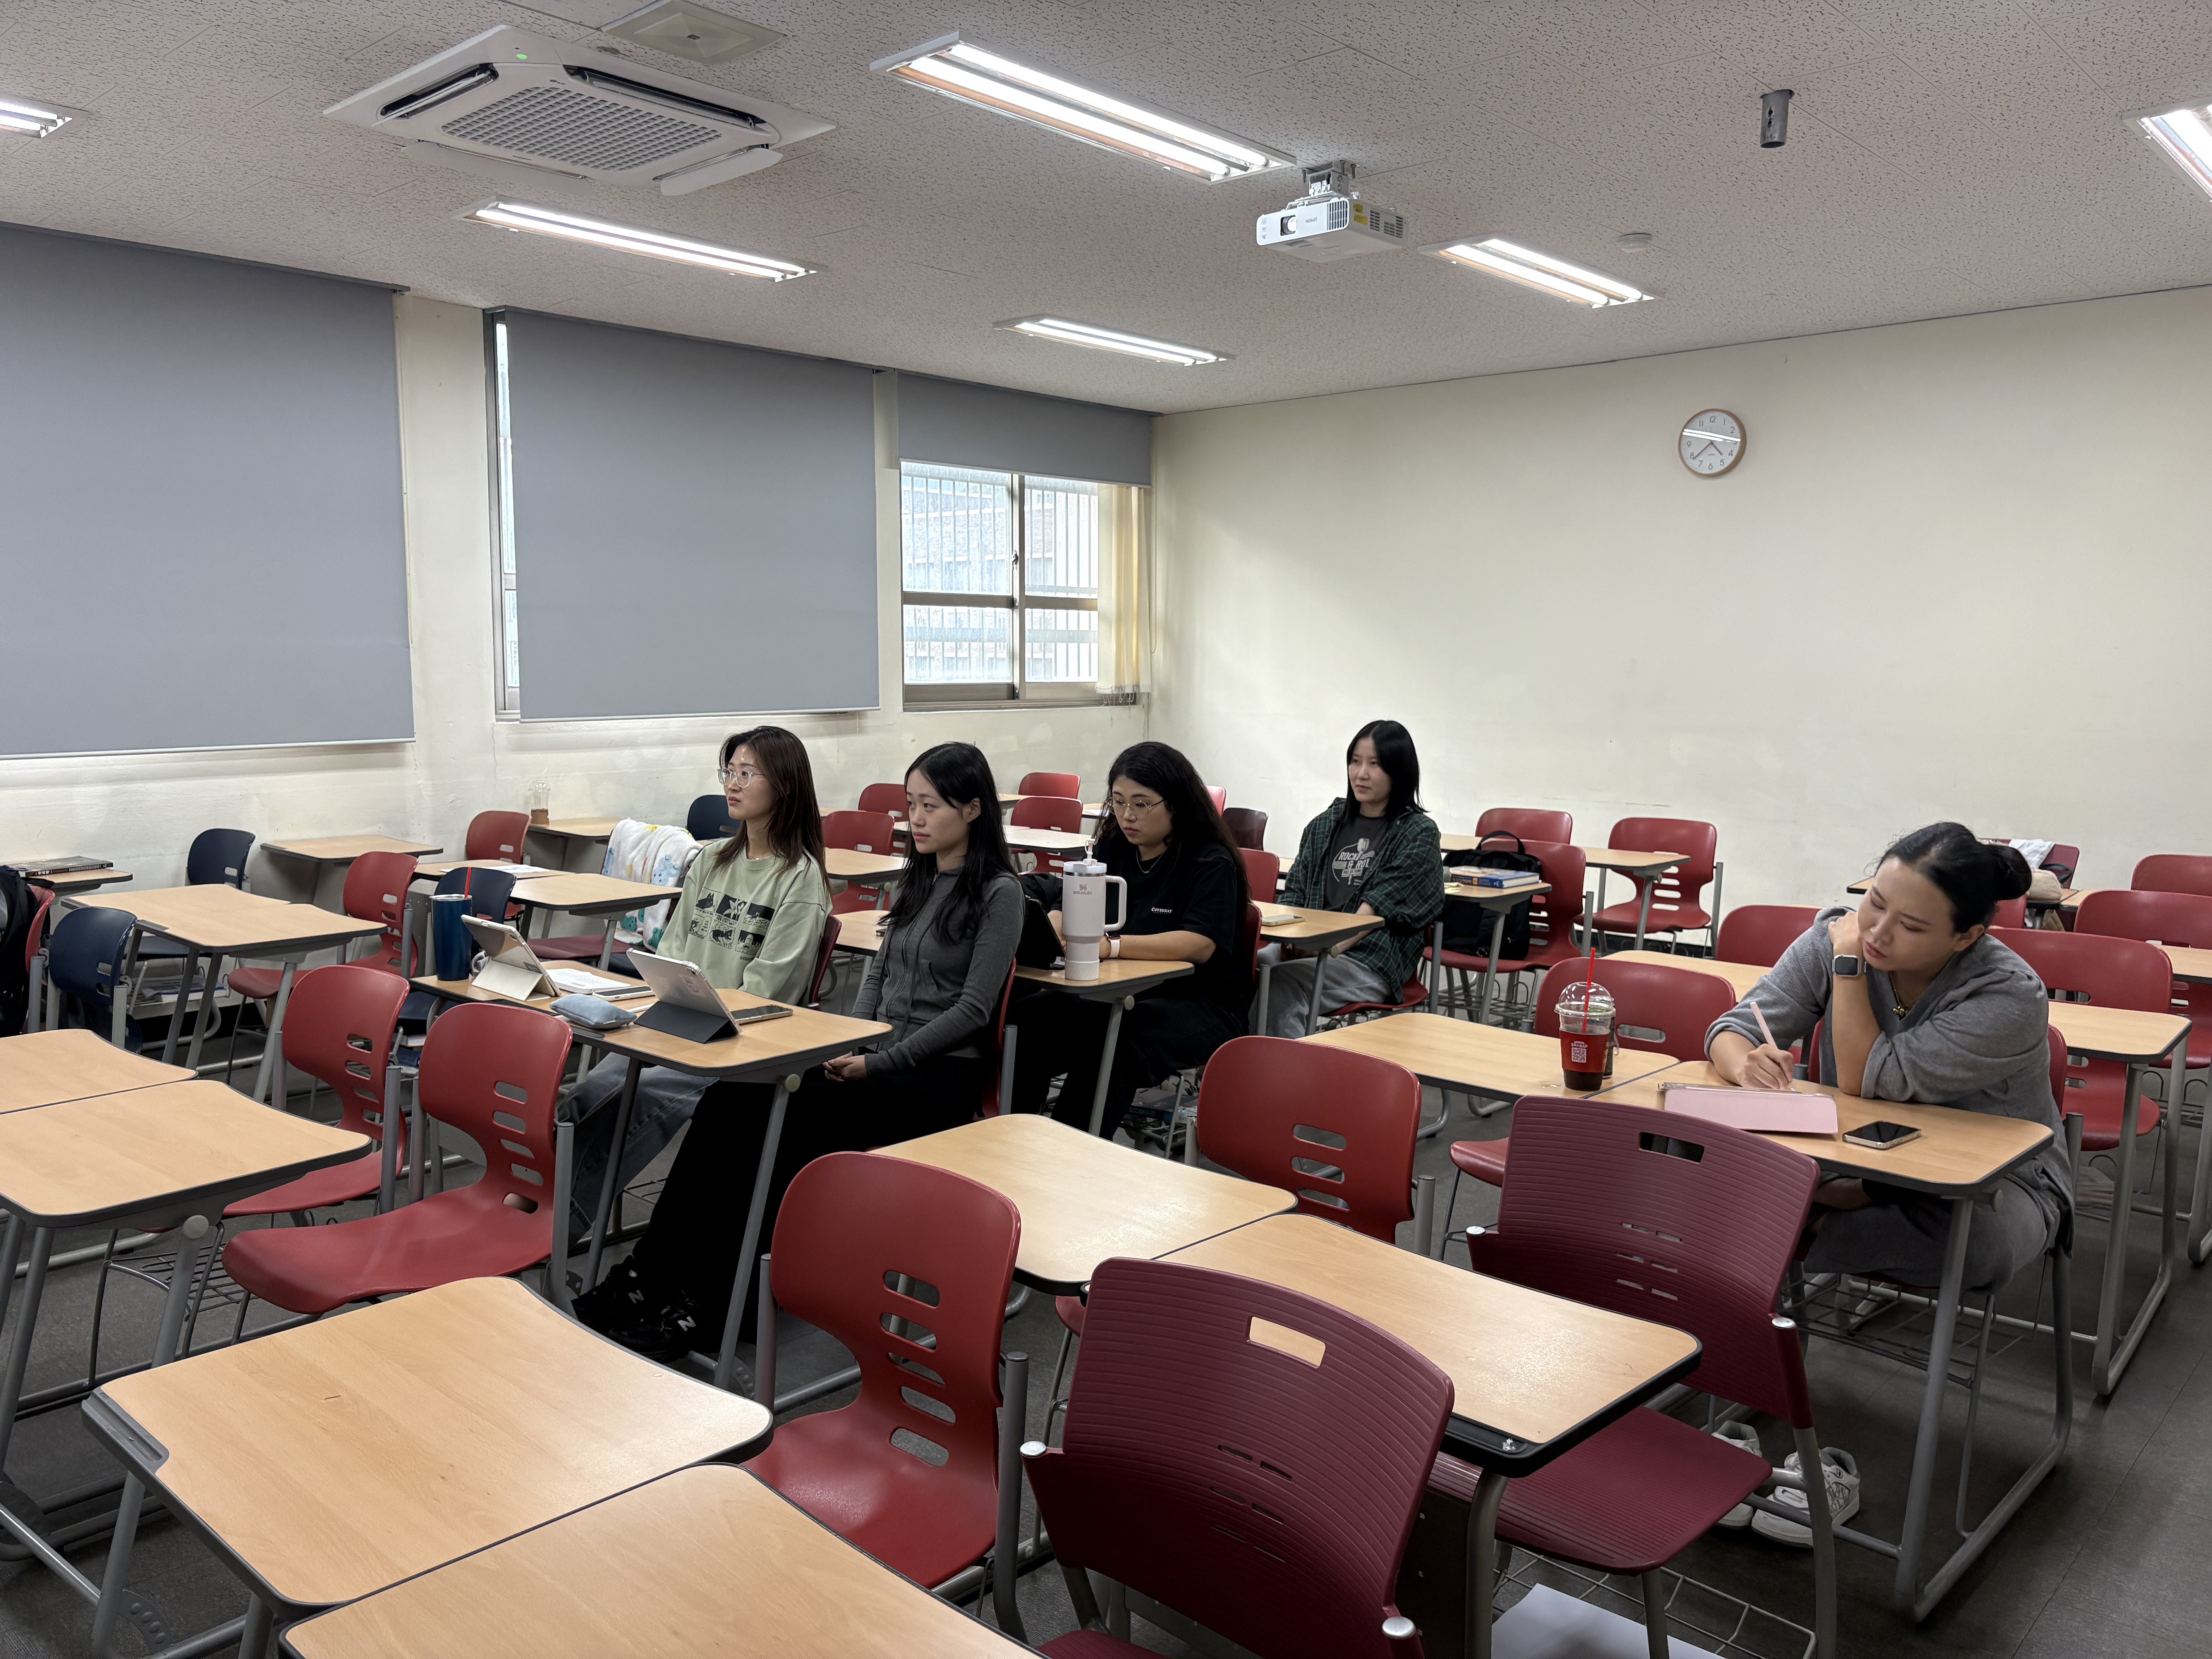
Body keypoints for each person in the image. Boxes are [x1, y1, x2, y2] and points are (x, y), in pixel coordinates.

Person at [577, 741, 1021, 1361]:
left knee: (779, 1126)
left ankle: (709, 1302)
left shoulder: (1000, 893)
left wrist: (876, 1060)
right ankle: (650, 1274)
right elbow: (876, 976)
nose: (915, 820)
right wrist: (851, 1041)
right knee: (732, 1101)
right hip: (874, 1060)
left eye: (931, 806)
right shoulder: (919, 878)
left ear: (973, 810)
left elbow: (972, 1010)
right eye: (911, 805)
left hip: (934, 1078)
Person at [1705, 823, 2064, 1546]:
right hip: (1858, 1161)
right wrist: (1743, 1063)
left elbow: (1874, 1081)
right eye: (1874, 903)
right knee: (1701, 1178)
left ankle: (1804, 1218)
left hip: (1997, 1186)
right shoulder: (1836, 934)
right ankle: (1819, 1214)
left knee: (1976, 1246)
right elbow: (1732, 1025)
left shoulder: (2008, 993)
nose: (1876, 932)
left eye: (1911, 926)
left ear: (1965, 936)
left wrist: (1845, 970)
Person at [564, 726, 830, 1247]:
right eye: (729, 771)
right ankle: (533, 1196)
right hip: (678, 1020)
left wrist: (699, 1013)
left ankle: (561, 1219)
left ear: (784, 784)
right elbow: (672, 950)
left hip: (736, 1042)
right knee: (590, 1090)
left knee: (640, 1096)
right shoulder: (712, 859)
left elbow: (769, 989)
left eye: (747, 773)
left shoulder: (800, 879)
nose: (732, 784)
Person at [1006, 740, 1250, 1135]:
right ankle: (1011, 1135)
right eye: (1118, 802)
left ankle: (1070, 1152)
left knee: (1114, 1045)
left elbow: (1200, 944)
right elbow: (1074, 898)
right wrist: (1054, 924)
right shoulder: (1115, 848)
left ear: (1176, 803)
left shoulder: (1209, 861)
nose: (1127, 815)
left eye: (1142, 804)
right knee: (1029, 1018)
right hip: (1123, 992)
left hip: (1200, 1003)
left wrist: (1113, 947)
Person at [1260, 720, 1446, 1036]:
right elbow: (1295, 893)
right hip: (1308, 945)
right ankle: (1231, 1061)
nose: (1361, 774)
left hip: (1369, 959)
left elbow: (1376, 909)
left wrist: (1325, 947)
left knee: (1282, 982)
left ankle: (1283, 1068)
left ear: (1399, 771)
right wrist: (1291, 941)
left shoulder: (1417, 833)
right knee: (1240, 968)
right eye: (1356, 761)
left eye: (1375, 764)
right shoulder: (1325, 824)